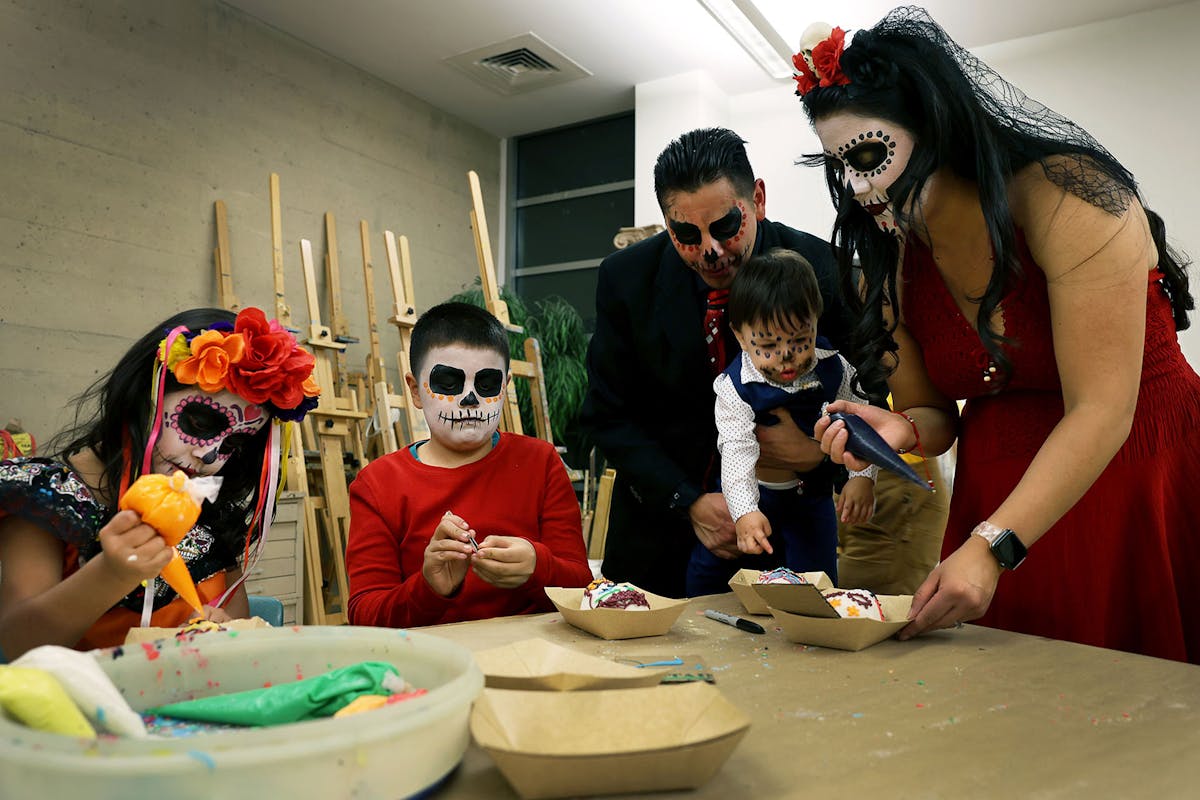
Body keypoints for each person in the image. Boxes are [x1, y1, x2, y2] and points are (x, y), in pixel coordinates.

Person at [797, 8, 1200, 662]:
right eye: (838, 164)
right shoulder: (892, 260)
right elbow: (935, 414)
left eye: (868, 154)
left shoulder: (1069, 196)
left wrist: (992, 548)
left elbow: (1103, 410)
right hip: (998, 489)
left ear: (936, 127)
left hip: (1132, 473)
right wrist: (899, 430)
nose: (855, 185)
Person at [582, 127, 857, 600]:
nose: (710, 249)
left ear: (758, 200)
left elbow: (864, 392)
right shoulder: (626, 280)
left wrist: (819, 454)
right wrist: (688, 502)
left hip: (785, 535)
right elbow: (607, 416)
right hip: (657, 539)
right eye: (686, 234)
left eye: (727, 226)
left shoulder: (824, 270)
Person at [0, 307, 320, 658]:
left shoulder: (205, 513)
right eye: (199, 423)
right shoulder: (44, 498)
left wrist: (217, 629)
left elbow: (237, 631)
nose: (211, 456)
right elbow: (16, 646)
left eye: (233, 445)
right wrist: (110, 574)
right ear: (143, 396)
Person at [346, 302, 592, 627]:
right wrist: (429, 588)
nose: (470, 399)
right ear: (415, 391)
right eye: (448, 382)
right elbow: (365, 615)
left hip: (533, 656)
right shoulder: (378, 484)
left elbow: (582, 588)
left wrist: (538, 567)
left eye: (487, 384)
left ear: (505, 388)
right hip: (434, 665)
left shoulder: (540, 463)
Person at [687, 247, 877, 595]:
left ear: (815, 322)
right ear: (741, 336)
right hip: (753, 493)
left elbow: (860, 423)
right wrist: (744, 512)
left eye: (800, 341)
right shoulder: (734, 387)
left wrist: (861, 477)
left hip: (811, 498)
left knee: (818, 584)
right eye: (769, 346)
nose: (786, 358)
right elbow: (736, 452)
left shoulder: (835, 368)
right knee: (711, 574)